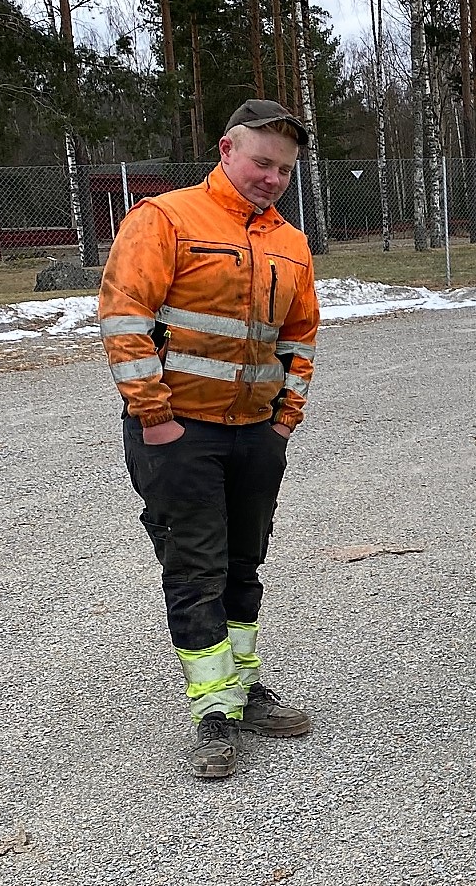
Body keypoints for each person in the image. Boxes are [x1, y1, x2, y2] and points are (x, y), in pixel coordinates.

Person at [99, 99, 319, 777]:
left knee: (243, 564)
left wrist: (284, 421)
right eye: (262, 162)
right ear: (227, 150)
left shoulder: (290, 240)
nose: (272, 177)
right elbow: (123, 318)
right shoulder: (165, 219)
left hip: (255, 434)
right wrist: (155, 416)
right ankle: (213, 712)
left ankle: (244, 686)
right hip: (178, 431)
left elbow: (300, 337)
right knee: (195, 568)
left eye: (284, 169)